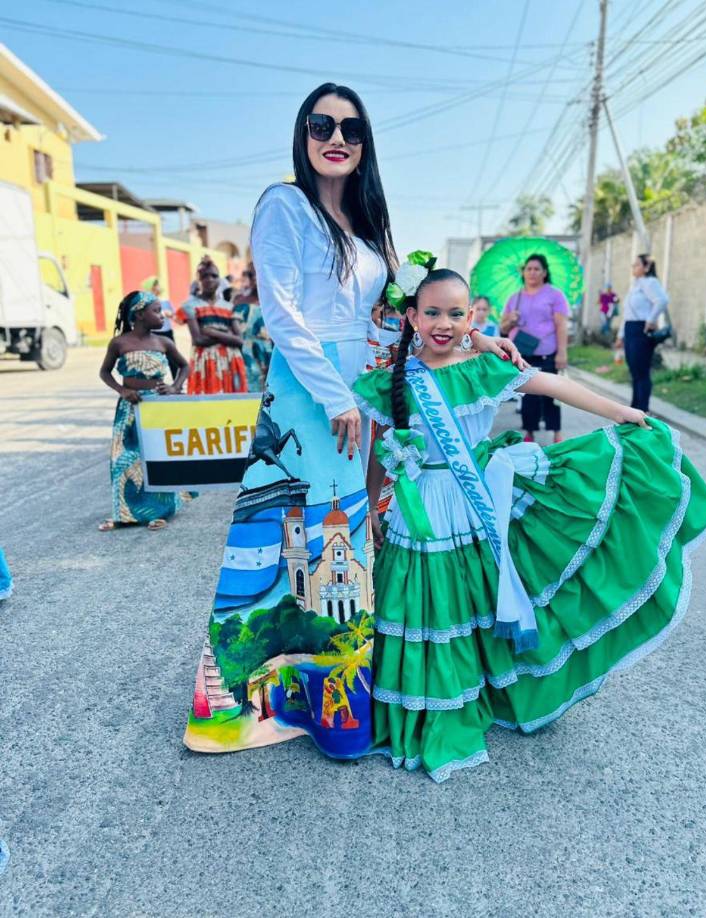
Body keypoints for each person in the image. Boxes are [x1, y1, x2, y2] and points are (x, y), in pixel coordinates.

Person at [182, 83, 523, 757]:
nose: (336, 137)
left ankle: (334, 707)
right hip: (313, 395)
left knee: (343, 544)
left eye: (351, 129)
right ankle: (266, 703)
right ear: (302, 135)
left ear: (365, 146)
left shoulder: (366, 228)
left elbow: (414, 309)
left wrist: (477, 340)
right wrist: (334, 397)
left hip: (357, 391)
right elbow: (280, 313)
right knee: (302, 539)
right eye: (321, 124)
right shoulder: (285, 205)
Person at [352, 262, 706, 783]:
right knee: (429, 604)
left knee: (476, 596)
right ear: (411, 316)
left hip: (476, 500)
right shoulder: (389, 382)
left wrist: (621, 412)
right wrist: (372, 506)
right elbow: (376, 452)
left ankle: (488, 686)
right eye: (431, 312)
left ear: (471, 317)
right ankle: (431, 700)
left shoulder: (482, 367)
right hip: (422, 511)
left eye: (457, 313)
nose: (444, 323)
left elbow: (552, 384)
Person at [98, 291, 189, 531]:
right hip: (130, 409)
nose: (162, 316)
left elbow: (184, 366)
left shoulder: (163, 342)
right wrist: (122, 390)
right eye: (156, 311)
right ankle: (124, 513)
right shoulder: (119, 343)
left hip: (157, 408)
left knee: (157, 457)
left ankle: (160, 511)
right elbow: (105, 372)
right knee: (124, 459)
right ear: (139, 314)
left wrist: (174, 387)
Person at [500, 254, 569, 443]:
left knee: (552, 393)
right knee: (529, 395)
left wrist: (562, 352)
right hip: (522, 354)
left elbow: (561, 325)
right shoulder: (515, 298)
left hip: (547, 353)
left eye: (536, 269)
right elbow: (503, 328)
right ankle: (530, 432)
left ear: (544, 273)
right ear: (523, 272)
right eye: (528, 269)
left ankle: (556, 433)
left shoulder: (555, 295)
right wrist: (509, 320)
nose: (532, 272)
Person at [178, 260, 247, 394]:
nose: (209, 280)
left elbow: (239, 340)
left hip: (230, 361)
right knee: (206, 405)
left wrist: (213, 332)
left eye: (214, 276)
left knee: (232, 405)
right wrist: (227, 334)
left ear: (220, 280)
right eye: (205, 276)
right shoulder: (190, 306)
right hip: (205, 362)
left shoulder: (229, 307)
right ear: (199, 280)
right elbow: (198, 340)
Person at [615, 254, 670, 411]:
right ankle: (634, 407)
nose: (634, 267)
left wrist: (651, 320)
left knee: (641, 371)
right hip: (630, 328)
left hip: (641, 329)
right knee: (633, 370)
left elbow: (662, 300)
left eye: (637, 264)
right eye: (633, 265)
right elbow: (627, 313)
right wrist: (620, 335)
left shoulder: (650, 282)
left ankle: (642, 409)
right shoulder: (635, 286)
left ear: (646, 267)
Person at [232, 265, 272, 391]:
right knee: (249, 389)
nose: (257, 278)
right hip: (246, 352)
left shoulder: (274, 299)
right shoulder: (239, 300)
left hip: (269, 351)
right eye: (254, 274)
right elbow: (234, 328)